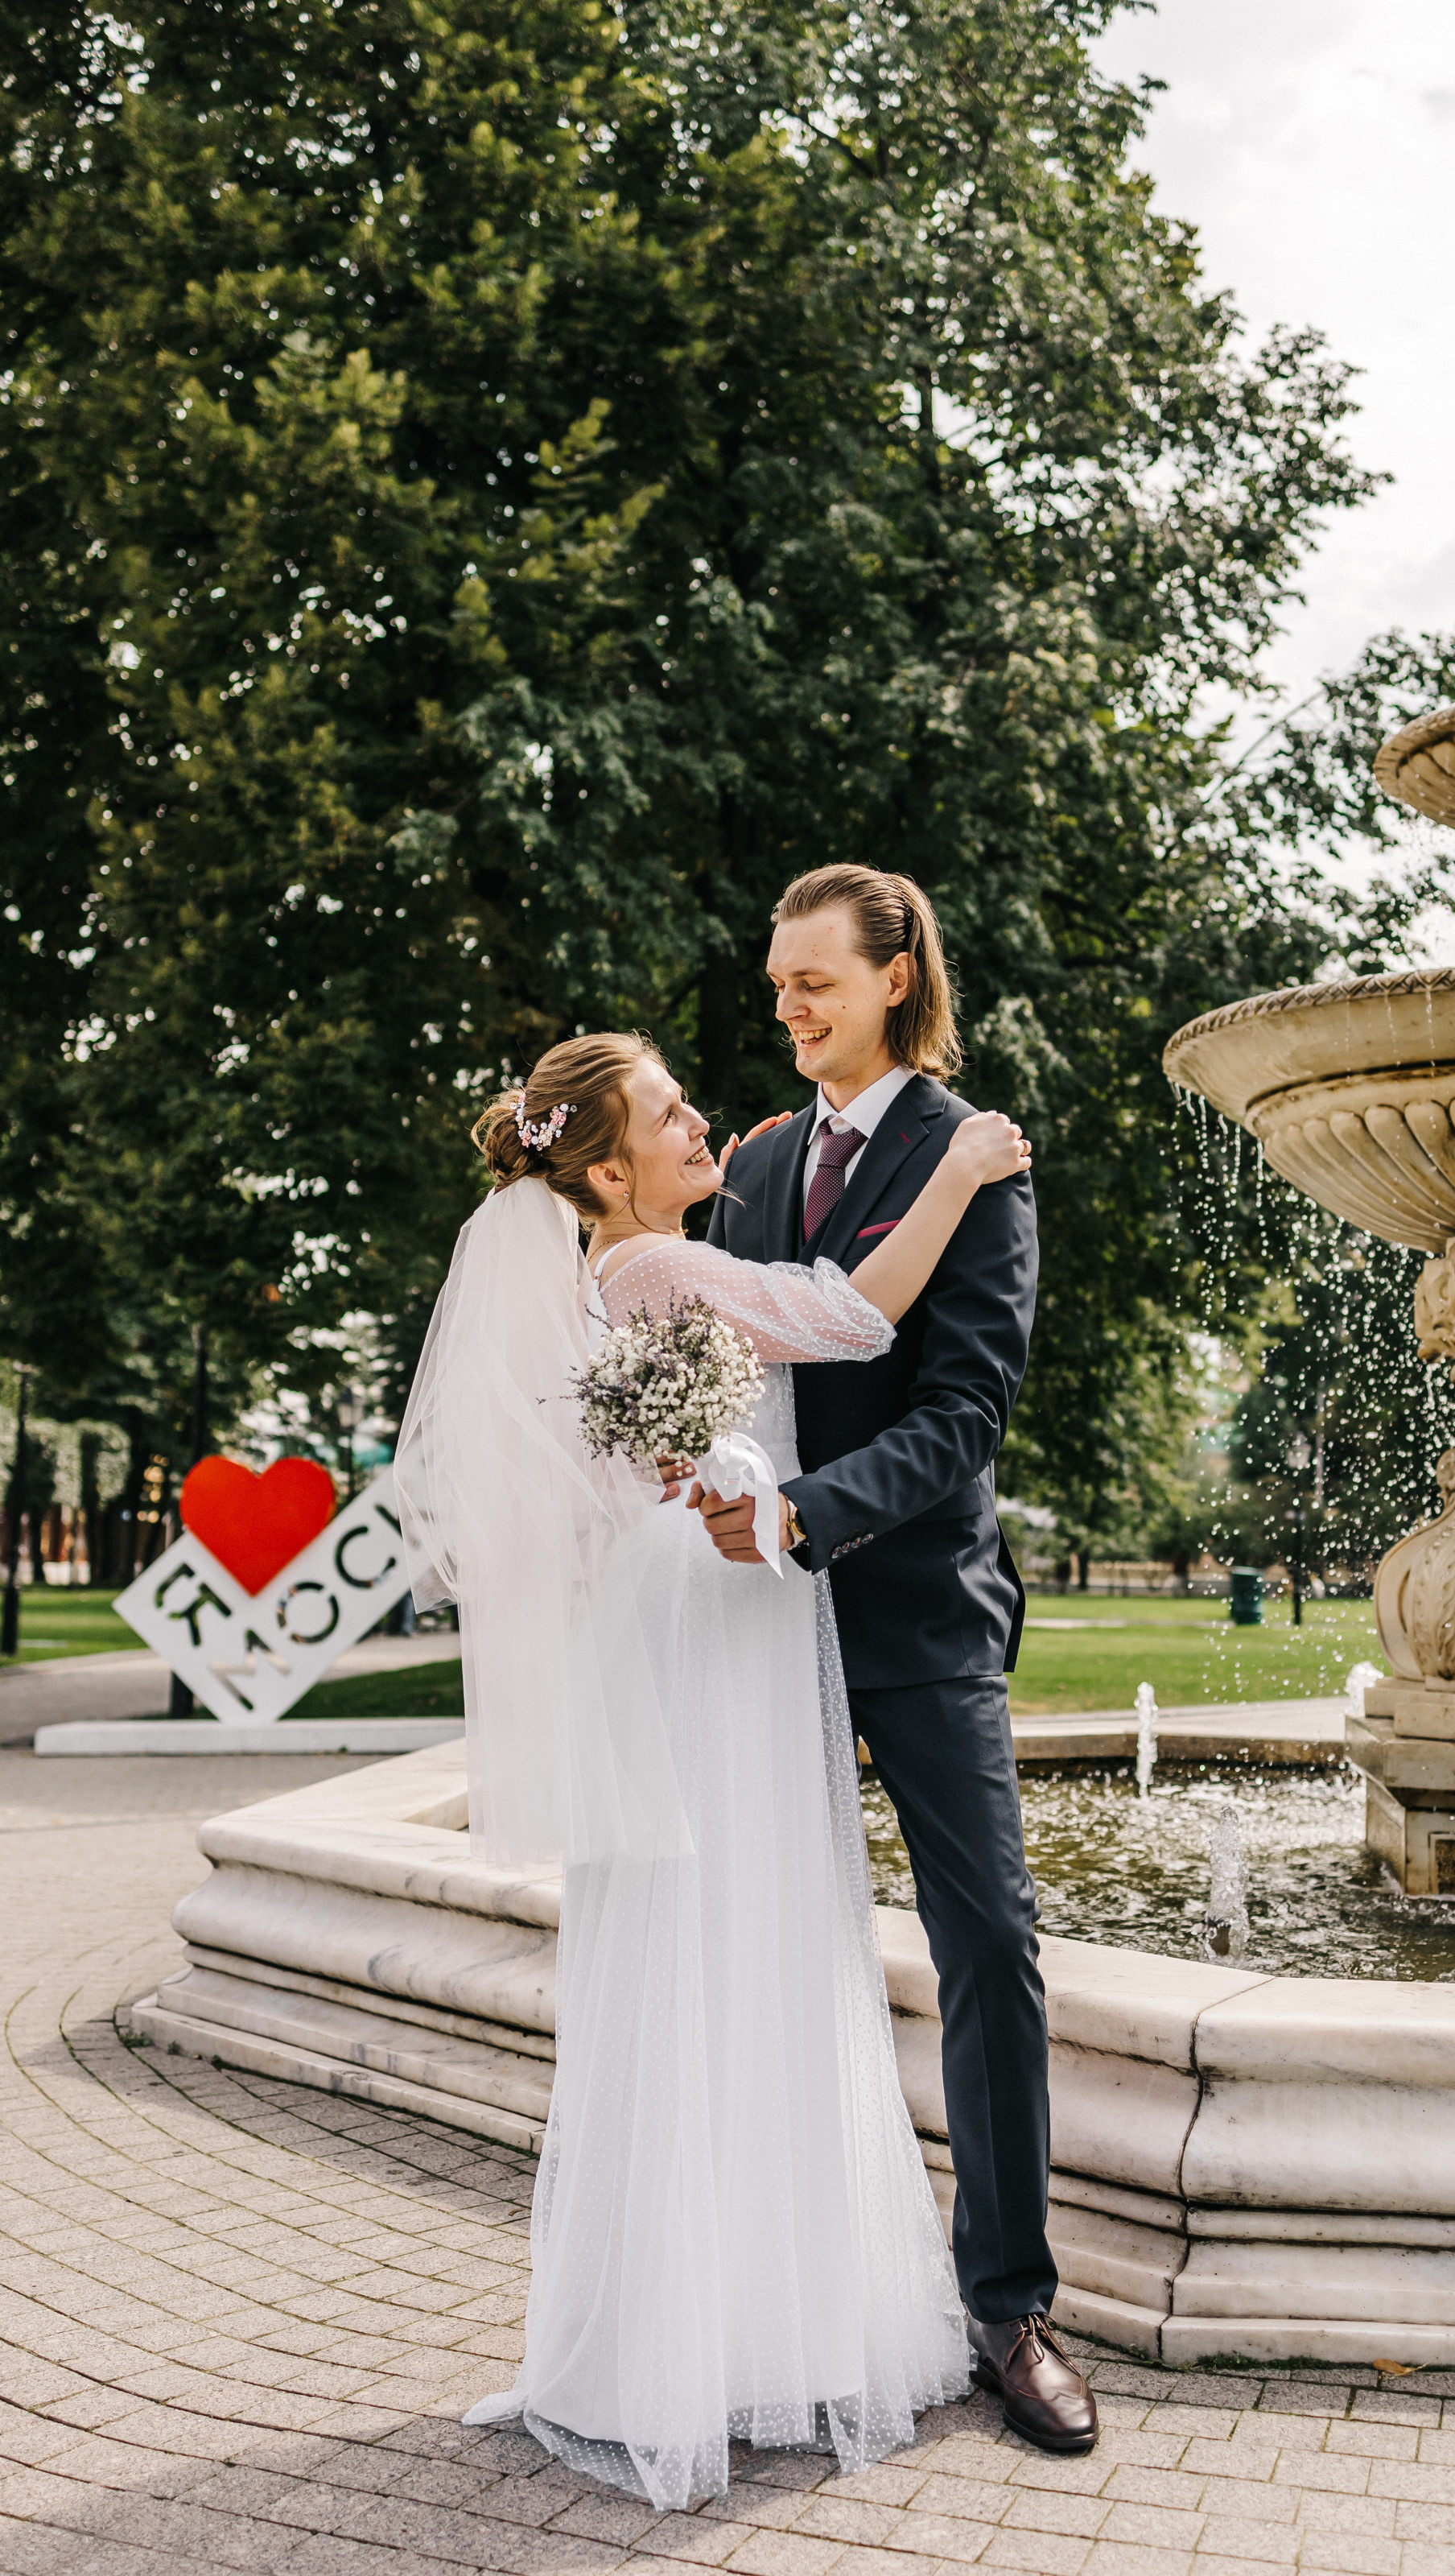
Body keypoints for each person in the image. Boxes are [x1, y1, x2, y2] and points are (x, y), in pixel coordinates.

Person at [394, 1028, 1034, 2509]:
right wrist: (958, 1163)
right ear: (606, 1165)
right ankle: (759, 2324)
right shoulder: (658, 1271)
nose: (709, 1128)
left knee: (718, 1946)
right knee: (746, 1935)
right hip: (720, 1613)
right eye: (673, 1115)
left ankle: (704, 2323)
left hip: (697, 1609)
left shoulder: (617, 1266)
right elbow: (861, 1317)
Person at [696, 864, 1097, 2457]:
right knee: (758, 1953)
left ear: (891, 976)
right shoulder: (755, 1163)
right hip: (751, 1624)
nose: (786, 1005)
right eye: (776, 980)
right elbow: (723, 1364)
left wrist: (805, 1514)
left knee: (988, 1944)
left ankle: (1007, 2306)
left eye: (814, 980)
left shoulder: (973, 1156)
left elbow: (963, 1414)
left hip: (917, 1615)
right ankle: (772, 2296)